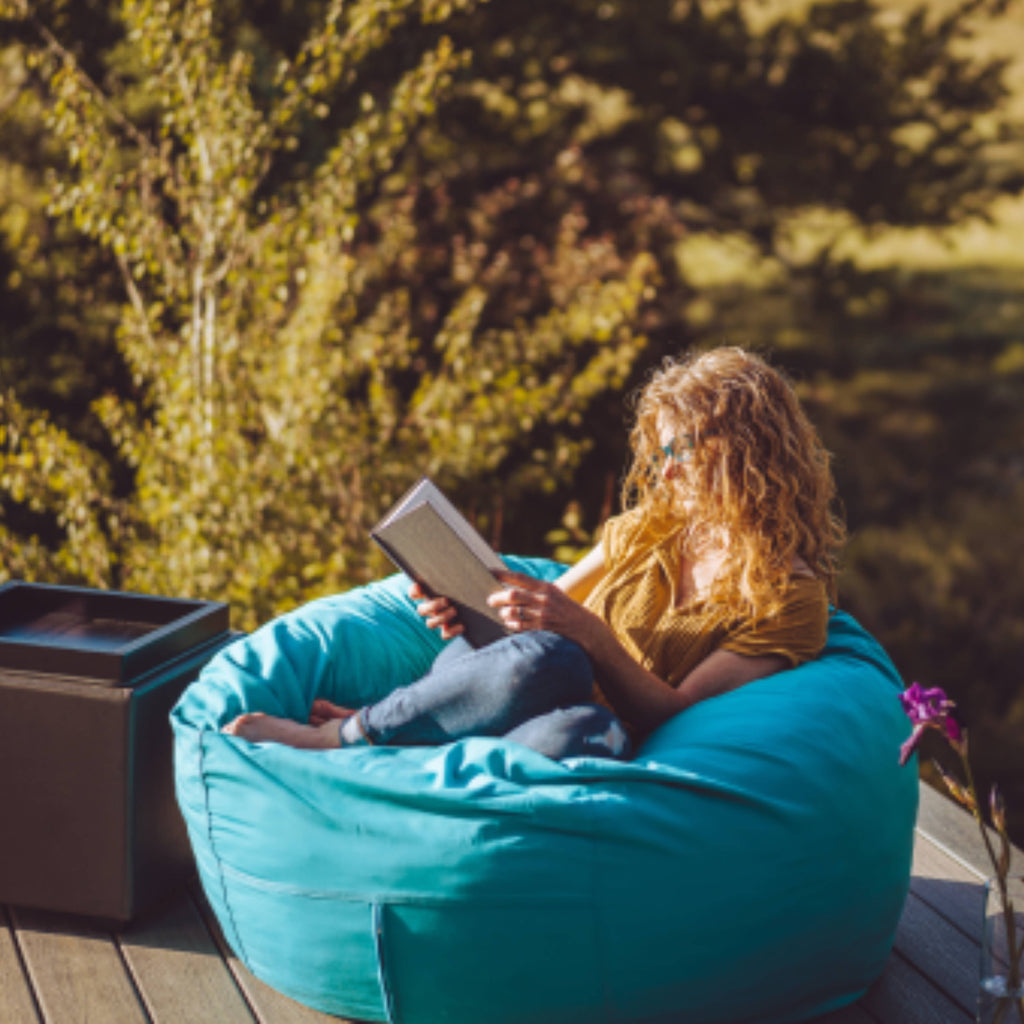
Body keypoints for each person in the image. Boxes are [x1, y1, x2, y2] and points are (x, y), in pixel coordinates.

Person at [224, 346, 845, 760]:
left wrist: (592, 637)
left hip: (589, 715)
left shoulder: (788, 598)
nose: (666, 476)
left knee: (579, 727)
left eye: (680, 453)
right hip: (507, 676)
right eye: (659, 457)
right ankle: (347, 736)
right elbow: (529, 608)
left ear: (744, 452)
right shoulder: (649, 526)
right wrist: (464, 602)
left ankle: (393, 739)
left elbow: (675, 714)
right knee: (543, 656)